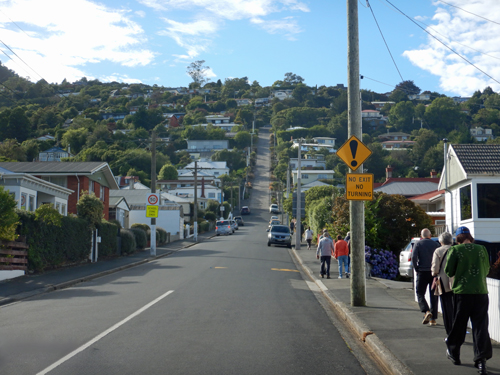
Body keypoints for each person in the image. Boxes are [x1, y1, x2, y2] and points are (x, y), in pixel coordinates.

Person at [445, 226, 492, 374]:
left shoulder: (455, 250)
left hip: (463, 293)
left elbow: (448, 271)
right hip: (481, 292)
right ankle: (481, 362)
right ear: (470, 237)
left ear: (457, 239)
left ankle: (454, 353)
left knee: (459, 324)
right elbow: (487, 269)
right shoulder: (482, 249)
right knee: (480, 326)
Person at [411, 228, 440, 326]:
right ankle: (433, 320)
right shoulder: (436, 245)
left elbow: (414, 258)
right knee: (434, 295)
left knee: (420, 293)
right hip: (433, 273)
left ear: (421, 236)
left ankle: (426, 311)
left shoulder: (418, 244)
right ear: (430, 235)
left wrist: (417, 269)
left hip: (422, 272)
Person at [431, 232, 454, 335]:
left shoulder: (438, 251)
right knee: (456, 307)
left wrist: (434, 274)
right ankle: (457, 330)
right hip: (456, 283)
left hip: (443, 283)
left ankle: (449, 331)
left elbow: (435, 268)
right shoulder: (456, 249)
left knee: (446, 308)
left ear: (441, 241)